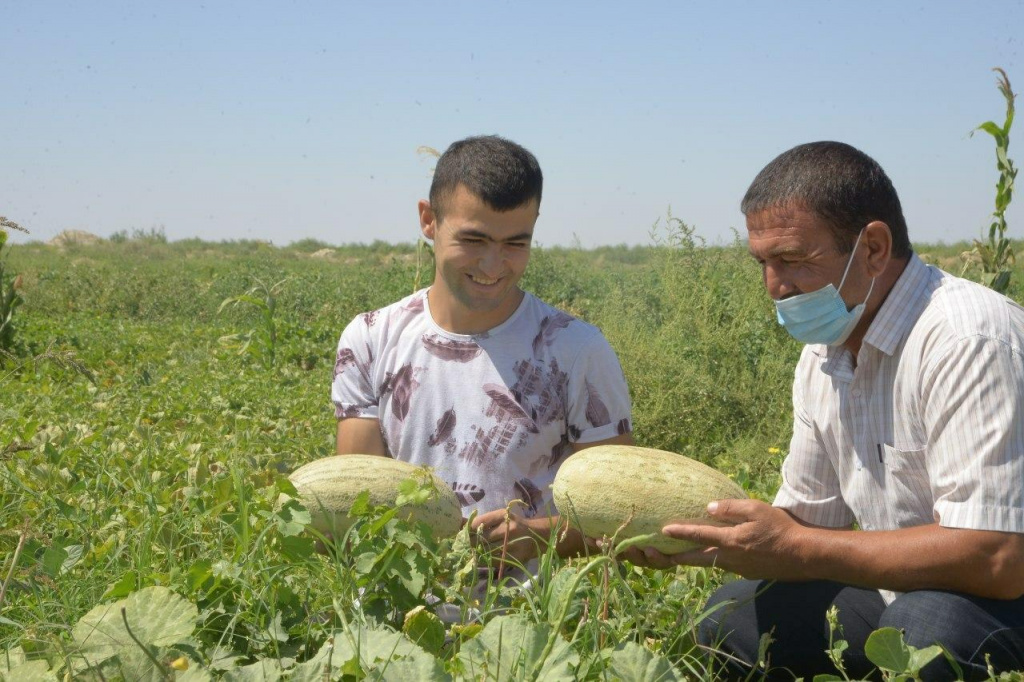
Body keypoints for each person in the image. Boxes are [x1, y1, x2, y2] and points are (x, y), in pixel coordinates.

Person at [631, 142, 1024, 679]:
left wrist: (796, 545)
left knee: (923, 632)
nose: (775, 286)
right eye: (764, 263)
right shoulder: (823, 355)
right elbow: (807, 524)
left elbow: (997, 559)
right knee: (737, 618)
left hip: (1000, 600)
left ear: (874, 249)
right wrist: (694, 539)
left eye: (793, 259)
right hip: (901, 596)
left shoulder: (968, 338)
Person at [331, 135, 633, 573]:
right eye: (473, 240)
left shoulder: (576, 350)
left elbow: (621, 515)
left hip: (533, 625)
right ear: (428, 220)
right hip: (392, 616)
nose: (493, 266)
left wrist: (539, 537)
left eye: (515, 243)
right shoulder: (370, 340)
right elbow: (355, 499)